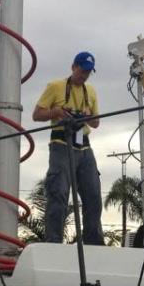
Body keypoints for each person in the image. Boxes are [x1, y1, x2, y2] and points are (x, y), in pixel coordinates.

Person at [32, 51, 104, 245]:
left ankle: (94, 244)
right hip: (61, 145)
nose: (85, 75)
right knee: (59, 193)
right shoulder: (55, 87)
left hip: (84, 147)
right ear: (73, 67)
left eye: (89, 72)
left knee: (94, 197)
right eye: (82, 71)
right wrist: (56, 112)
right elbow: (36, 115)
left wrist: (87, 116)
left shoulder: (91, 91)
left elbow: (96, 123)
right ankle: (53, 243)